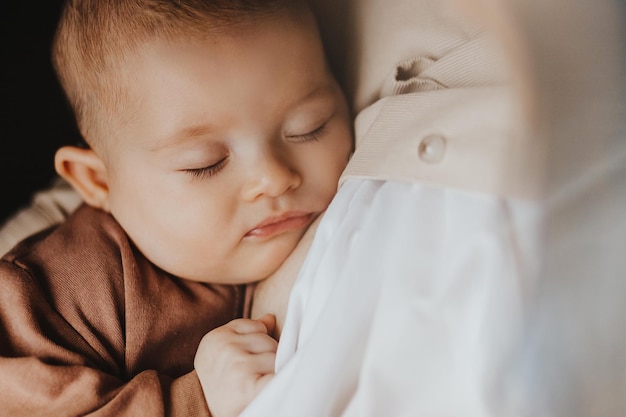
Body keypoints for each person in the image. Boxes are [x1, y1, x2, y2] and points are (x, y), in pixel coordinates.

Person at [0, 0, 353, 416]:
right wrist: (195, 400)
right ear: (99, 182)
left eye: (308, 127)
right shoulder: (55, 295)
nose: (273, 178)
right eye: (205, 163)